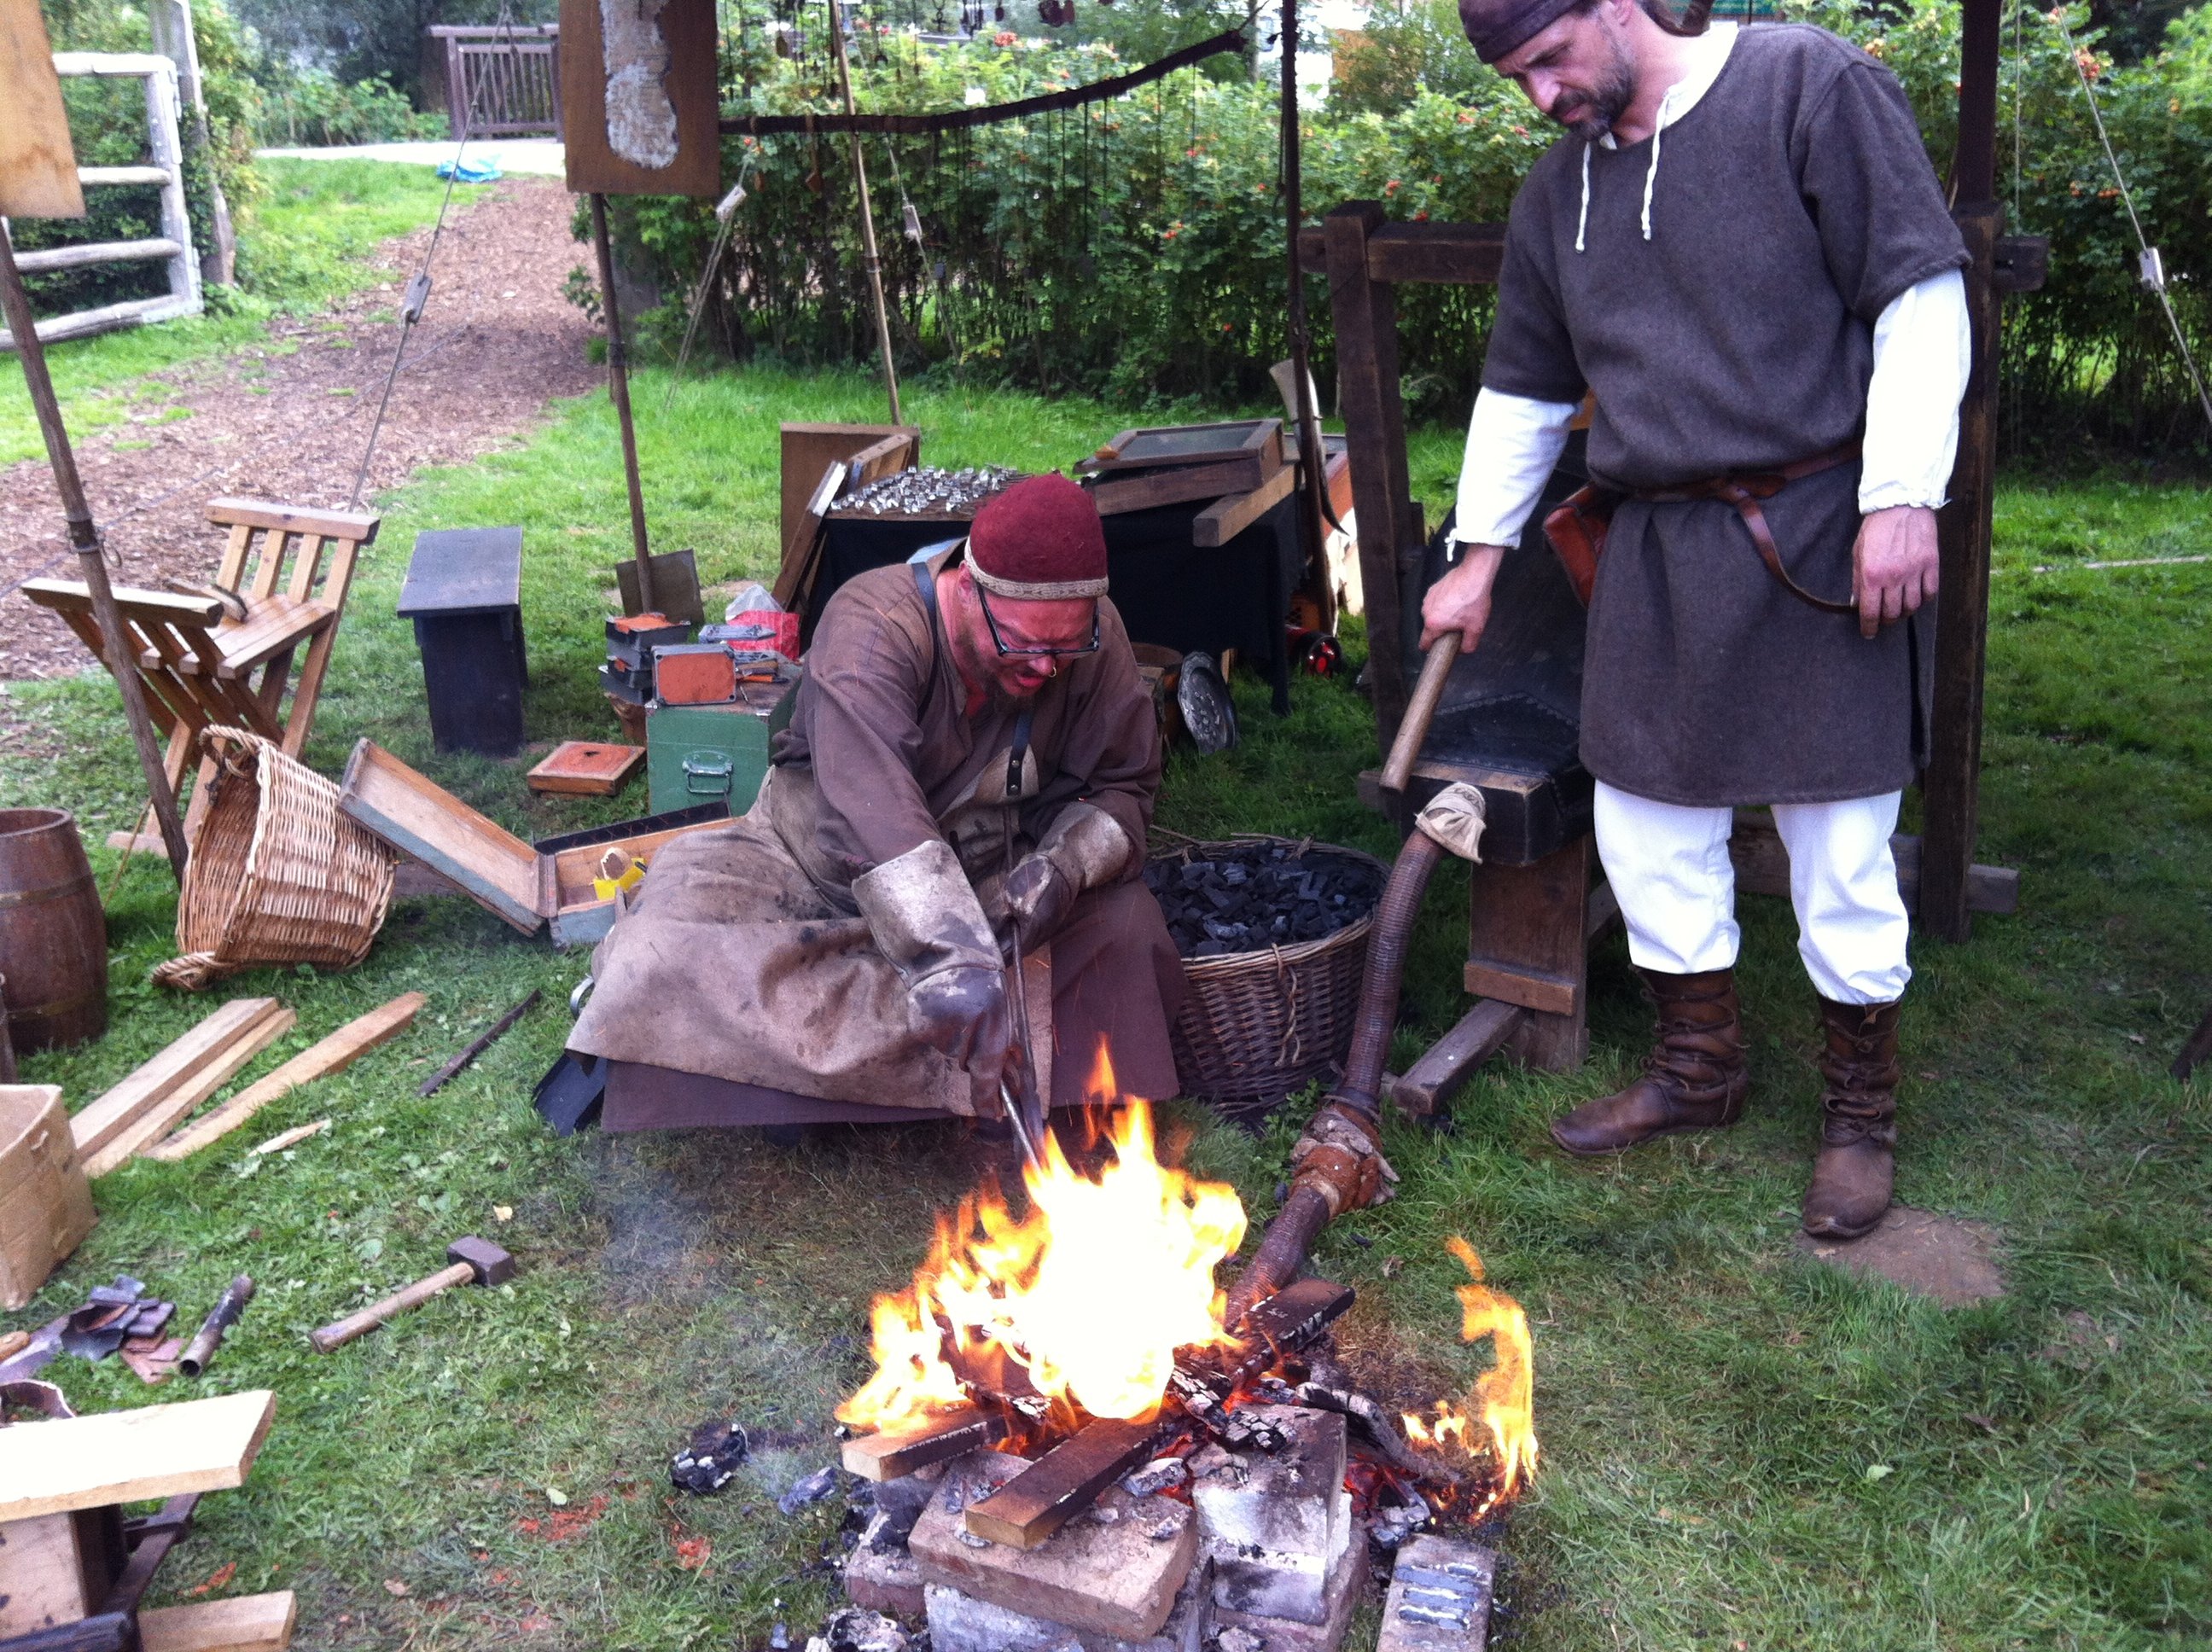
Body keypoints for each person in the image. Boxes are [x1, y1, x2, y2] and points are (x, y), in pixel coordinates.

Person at [1423, 0, 1972, 1236]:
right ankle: (1698, 1070)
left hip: (1822, 529)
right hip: (1659, 546)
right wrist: (1477, 556)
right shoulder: (1556, 193)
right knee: (1644, 815)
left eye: (1551, 61)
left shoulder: (1806, 89)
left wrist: (1900, 497)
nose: (1539, 98)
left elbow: (1920, 297)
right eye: (1517, 79)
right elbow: (1521, 389)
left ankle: (1859, 1114)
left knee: (1837, 837)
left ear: (1614, 5)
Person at [569, 473, 1185, 1123]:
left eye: (1067, 647)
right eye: (1023, 643)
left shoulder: (1089, 633)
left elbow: (1123, 785)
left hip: (984, 881)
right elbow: (872, 817)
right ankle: (939, 1045)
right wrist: (955, 963)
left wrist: (1062, 868)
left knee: (1126, 927)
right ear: (969, 590)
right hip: (810, 871)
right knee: (657, 954)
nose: (1045, 669)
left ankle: (891, 1057)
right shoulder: (873, 622)